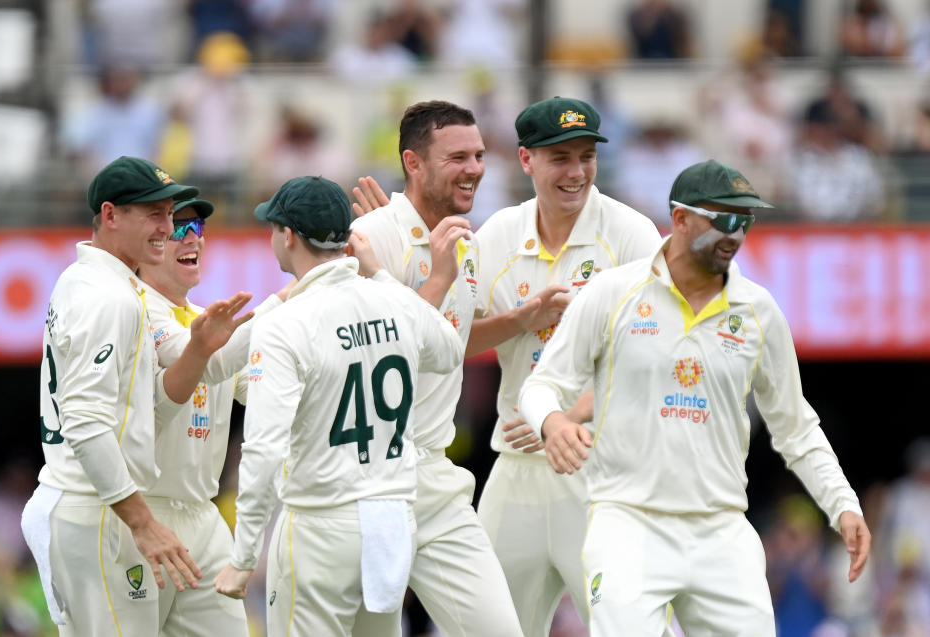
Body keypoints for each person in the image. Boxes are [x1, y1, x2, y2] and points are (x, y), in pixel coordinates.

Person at [519, 159, 872, 635]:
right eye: (723, 219)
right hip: (628, 523)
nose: (735, 233)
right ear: (680, 219)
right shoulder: (613, 292)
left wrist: (843, 504)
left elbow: (796, 426)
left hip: (721, 529)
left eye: (744, 221)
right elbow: (542, 385)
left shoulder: (758, 311)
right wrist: (553, 423)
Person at [213, 176, 465, 636]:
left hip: (321, 524)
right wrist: (385, 279)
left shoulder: (286, 324)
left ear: (287, 235)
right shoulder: (392, 299)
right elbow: (448, 351)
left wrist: (244, 556)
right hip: (392, 521)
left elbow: (264, 447)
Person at [20, 156, 254, 636]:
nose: (171, 230)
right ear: (110, 216)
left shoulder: (99, 285)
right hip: (104, 506)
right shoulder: (112, 297)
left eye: (177, 216)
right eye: (157, 215)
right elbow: (84, 422)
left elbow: (185, 376)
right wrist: (143, 522)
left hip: (132, 507)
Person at [468, 96, 661, 637]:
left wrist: (564, 418)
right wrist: (521, 317)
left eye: (586, 157)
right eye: (560, 159)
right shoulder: (496, 237)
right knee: (489, 628)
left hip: (602, 470)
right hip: (515, 469)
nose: (576, 173)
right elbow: (451, 342)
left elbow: (657, 352)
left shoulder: (631, 235)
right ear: (526, 160)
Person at [349, 101, 523, 637]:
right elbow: (381, 361)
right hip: (370, 481)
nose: (474, 168)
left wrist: (522, 319)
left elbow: (450, 343)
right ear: (413, 162)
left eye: (478, 155)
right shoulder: (370, 239)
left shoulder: (459, 239)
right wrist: (439, 276)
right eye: (457, 157)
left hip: (436, 480)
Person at [136, 196, 293, 636]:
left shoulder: (202, 317)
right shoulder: (136, 310)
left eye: (198, 229)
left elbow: (255, 385)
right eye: (178, 229)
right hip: (144, 513)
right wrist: (294, 293)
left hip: (203, 519)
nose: (193, 239)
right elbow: (201, 356)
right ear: (148, 244)